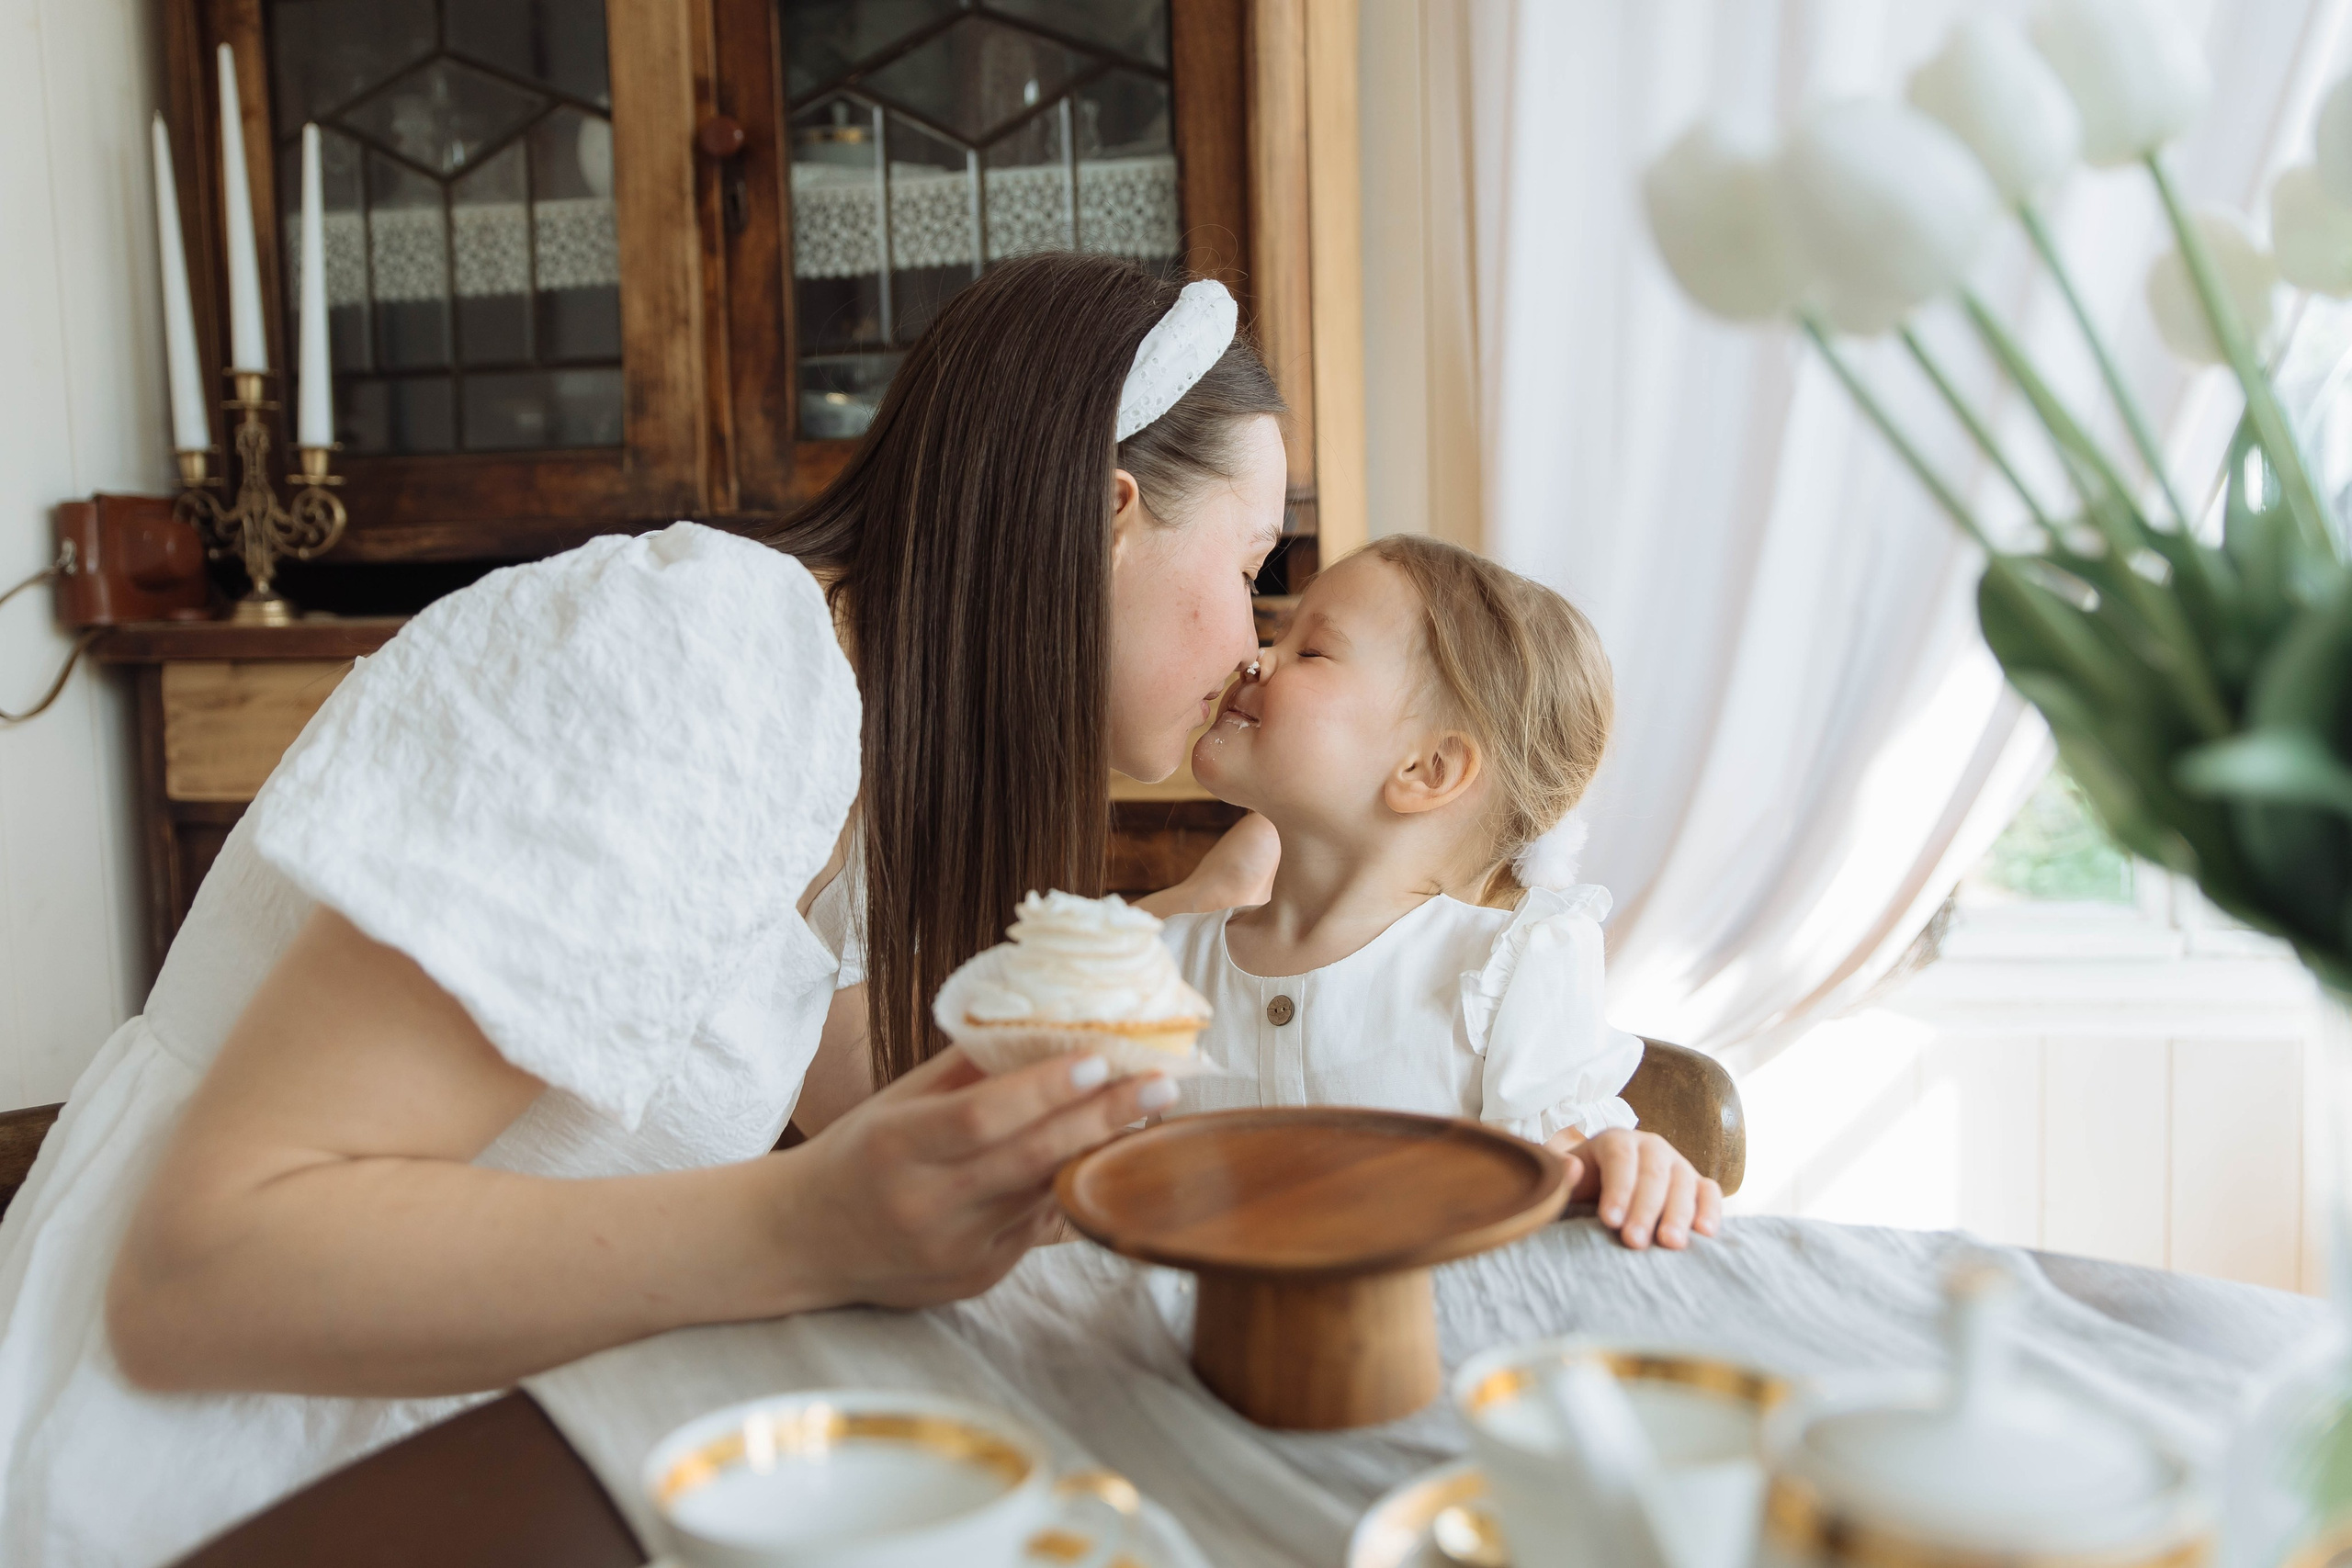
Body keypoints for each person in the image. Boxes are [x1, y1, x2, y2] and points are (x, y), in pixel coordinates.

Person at [0, 254, 1285, 1567]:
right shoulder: (706, 655)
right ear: (1104, 512)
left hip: (477, 1453)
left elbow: (880, 1093)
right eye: (1252, 562)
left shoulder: (864, 751)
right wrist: (803, 1224)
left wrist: (1199, 948)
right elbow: (204, 1273)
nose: (1258, 640)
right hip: (194, 1481)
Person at [1164, 535, 1724, 1250]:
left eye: (1311, 650)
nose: (1254, 656)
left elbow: (1557, 1170)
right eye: (1279, 635)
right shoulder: (1159, 965)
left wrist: (1610, 1163)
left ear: (1428, 767)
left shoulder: (1518, 961)